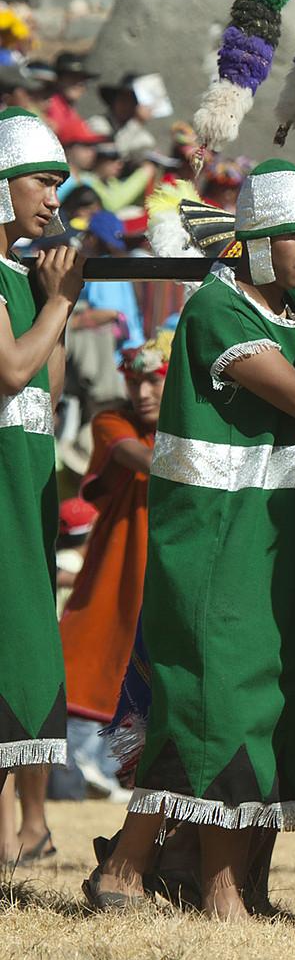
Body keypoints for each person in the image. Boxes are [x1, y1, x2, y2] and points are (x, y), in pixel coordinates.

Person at [85, 159, 295, 919]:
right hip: (213, 545)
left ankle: (133, 870)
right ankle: (211, 891)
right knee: (215, 709)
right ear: (254, 245)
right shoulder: (217, 307)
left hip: (269, 545)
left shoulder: (283, 306)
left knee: (247, 708)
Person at [0, 108, 85, 863]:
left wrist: (55, 297)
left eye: (59, 183)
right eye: (40, 181)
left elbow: (45, 398)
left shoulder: (23, 275)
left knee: (20, 653)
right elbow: (11, 369)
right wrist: (58, 301)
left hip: (25, 486)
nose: (53, 198)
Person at [58, 332, 171, 796]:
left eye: (154, 381)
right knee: (91, 656)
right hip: (115, 571)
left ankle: (129, 771)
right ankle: (86, 767)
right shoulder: (112, 420)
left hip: (166, 567)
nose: (141, 394)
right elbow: (139, 456)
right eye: (134, 381)